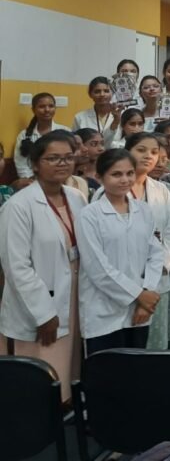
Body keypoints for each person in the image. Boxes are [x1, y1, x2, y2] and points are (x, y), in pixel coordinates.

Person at [0, 132, 89, 400]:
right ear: (36, 164)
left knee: (70, 367)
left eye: (68, 158)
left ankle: (67, 409)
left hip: (74, 293)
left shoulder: (77, 197)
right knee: (42, 373)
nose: (62, 163)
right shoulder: (19, 206)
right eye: (53, 158)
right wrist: (44, 313)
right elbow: (17, 266)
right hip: (38, 302)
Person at [77, 149, 165, 355]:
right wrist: (138, 295)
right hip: (102, 310)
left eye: (129, 173)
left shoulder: (143, 210)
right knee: (106, 369)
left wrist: (147, 295)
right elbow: (97, 267)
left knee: (135, 367)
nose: (125, 180)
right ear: (99, 177)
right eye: (116, 174)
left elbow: (155, 254)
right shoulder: (89, 215)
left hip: (140, 310)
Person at [114, 132, 170, 351]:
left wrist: (160, 265)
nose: (148, 156)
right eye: (141, 150)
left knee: (155, 343)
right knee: (125, 344)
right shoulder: (112, 189)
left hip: (156, 278)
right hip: (121, 279)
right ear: (127, 152)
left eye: (154, 152)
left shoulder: (162, 190)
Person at [13, 92, 69, 189]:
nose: (47, 110)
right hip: (31, 182)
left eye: (51, 106)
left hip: (61, 180)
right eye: (42, 106)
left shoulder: (65, 132)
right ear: (33, 110)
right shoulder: (24, 135)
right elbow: (21, 163)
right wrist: (33, 181)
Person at [71, 77, 119, 145]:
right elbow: (75, 142)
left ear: (113, 93)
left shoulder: (121, 115)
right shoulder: (80, 117)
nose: (102, 94)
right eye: (97, 91)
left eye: (106, 91)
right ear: (90, 94)